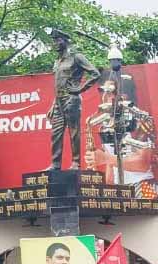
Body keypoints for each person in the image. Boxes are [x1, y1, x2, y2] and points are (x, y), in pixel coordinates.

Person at [47, 29, 100, 170]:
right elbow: (58, 84)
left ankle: (76, 162)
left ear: (65, 41)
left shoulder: (77, 57)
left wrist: (80, 89)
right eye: (54, 40)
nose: (55, 43)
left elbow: (95, 73)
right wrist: (53, 104)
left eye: (58, 40)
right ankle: (55, 164)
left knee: (74, 131)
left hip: (71, 99)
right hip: (59, 102)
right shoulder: (57, 61)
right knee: (56, 133)